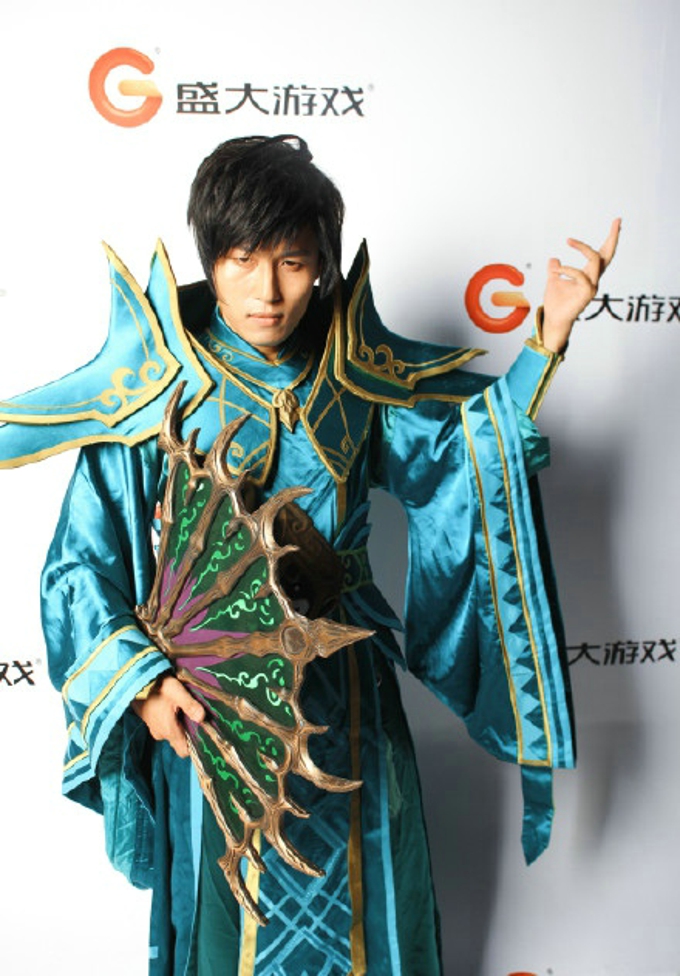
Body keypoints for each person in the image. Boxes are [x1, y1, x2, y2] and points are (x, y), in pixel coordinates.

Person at [0, 134, 619, 975]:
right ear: (210, 257)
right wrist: (142, 685)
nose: (267, 291)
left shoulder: (353, 378)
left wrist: (545, 338)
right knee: (228, 926)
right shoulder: (156, 389)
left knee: (375, 906)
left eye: (292, 262)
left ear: (323, 265)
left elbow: (465, 463)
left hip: (350, 694)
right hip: (215, 712)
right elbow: (80, 567)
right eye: (242, 260)